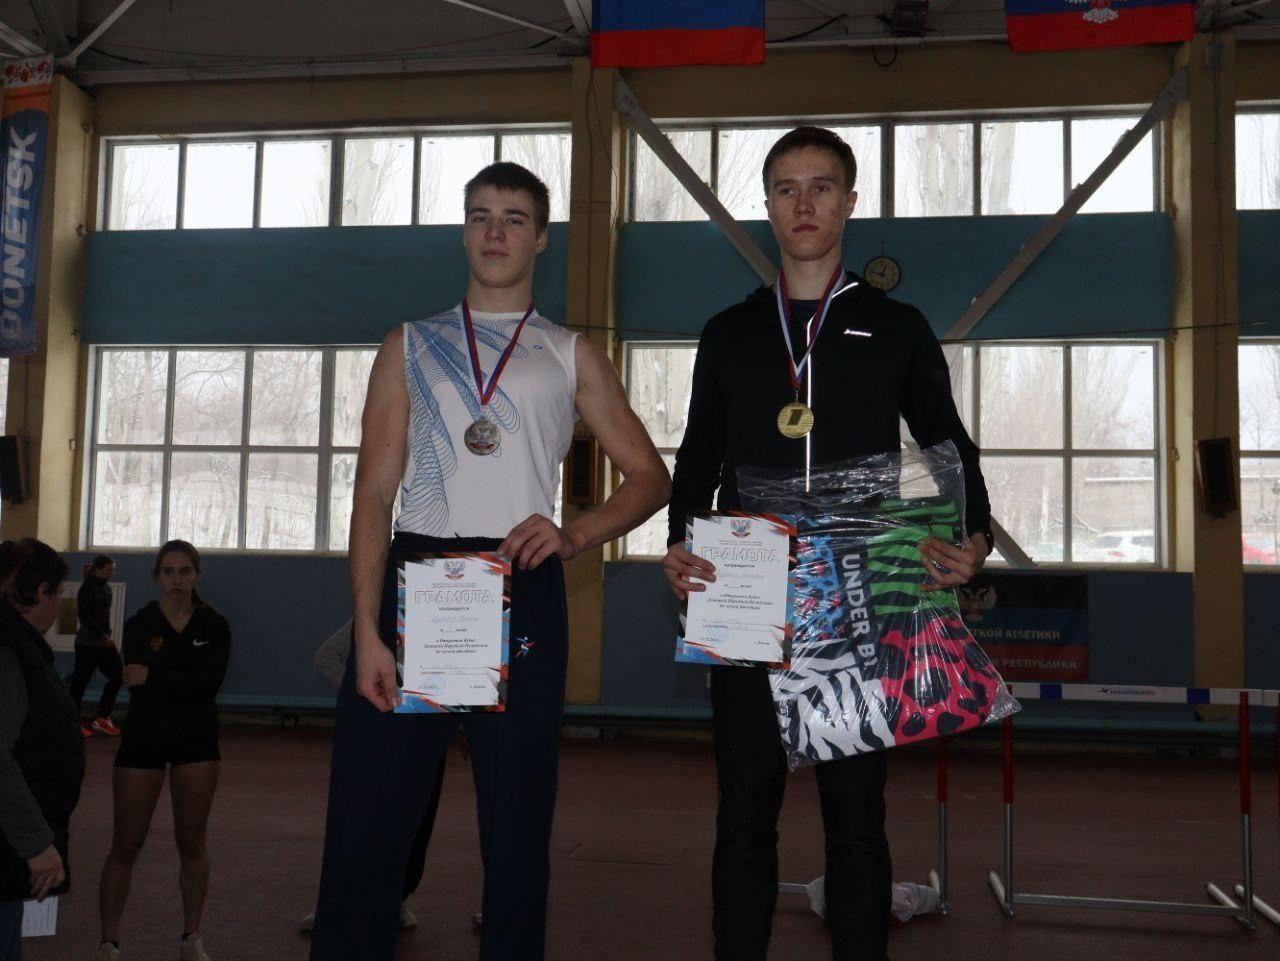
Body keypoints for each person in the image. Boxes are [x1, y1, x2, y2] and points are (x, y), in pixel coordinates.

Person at [310, 161, 670, 961]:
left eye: (514, 218)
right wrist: (367, 628)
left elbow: (651, 477)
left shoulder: (569, 351)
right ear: (464, 230)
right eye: (480, 215)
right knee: (367, 821)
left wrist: (575, 533)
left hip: (521, 582)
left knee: (517, 830)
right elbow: (373, 494)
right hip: (417, 584)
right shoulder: (410, 343)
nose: (495, 231)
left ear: (541, 237)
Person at [661, 126, 993, 961]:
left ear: (848, 202)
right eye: (786, 188)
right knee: (744, 813)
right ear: (767, 206)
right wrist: (678, 540)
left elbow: (948, 444)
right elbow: (698, 457)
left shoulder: (897, 326)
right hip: (745, 593)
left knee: (855, 819)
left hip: (859, 592)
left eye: (820, 187)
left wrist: (975, 536)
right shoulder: (730, 332)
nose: (803, 203)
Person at [96, 541, 231, 961]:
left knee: (191, 841)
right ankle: (108, 943)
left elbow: (207, 686)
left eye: (185, 571)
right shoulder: (139, 624)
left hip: (197, 741)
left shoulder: (214, 625)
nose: (177, 580)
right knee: (126, 843)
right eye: (169, 572)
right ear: (157, 576)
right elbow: (137, 683)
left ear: (197, 575)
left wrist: (154, 675)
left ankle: (191, 937)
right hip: (144, 738)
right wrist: (174, 679)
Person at [300, 619, 440, 934]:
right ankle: (341, 904)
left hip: (427, 734)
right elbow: (325, 657)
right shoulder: (372, 617)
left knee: (416, 825)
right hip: (380, 736)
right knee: (363, 821)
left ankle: (395, 898)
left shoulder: (440, 612)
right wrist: (362, 701)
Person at [0, 539, 83, 961]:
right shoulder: (7, 654)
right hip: (11, 840)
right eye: (58, 593)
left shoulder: (20, 648)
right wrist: (36, 844)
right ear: (40, 592)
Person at [69, 554, 124, 738]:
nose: (112, 573)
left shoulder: (106, 588)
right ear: (97, 570)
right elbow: (85, 617)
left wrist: (106, 636)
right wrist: (102, 637)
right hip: (87, 644)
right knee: (79, 684)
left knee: (118, 676)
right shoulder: (86, 589)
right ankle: (72, 723)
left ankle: (102, 718)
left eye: (113, 570)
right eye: (109, 570)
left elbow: (103, 617)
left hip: (103, 643)